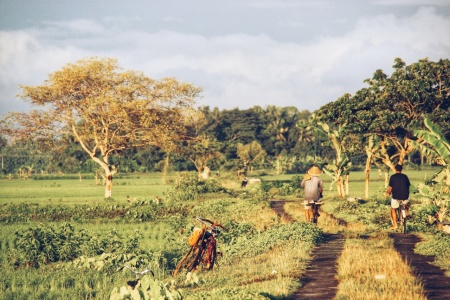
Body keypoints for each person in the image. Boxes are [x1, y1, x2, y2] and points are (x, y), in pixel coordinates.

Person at [386, 164, 411, 230]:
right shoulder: (405, 176)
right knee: (407, 202)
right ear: (401, 169)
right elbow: (408, 186)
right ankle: (406, 211)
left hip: (396, 197)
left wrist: (388, 193)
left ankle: (395, 225)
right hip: (405, 196)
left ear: (395, 169)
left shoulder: (393, 177)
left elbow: (390, 188)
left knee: (393, 209)